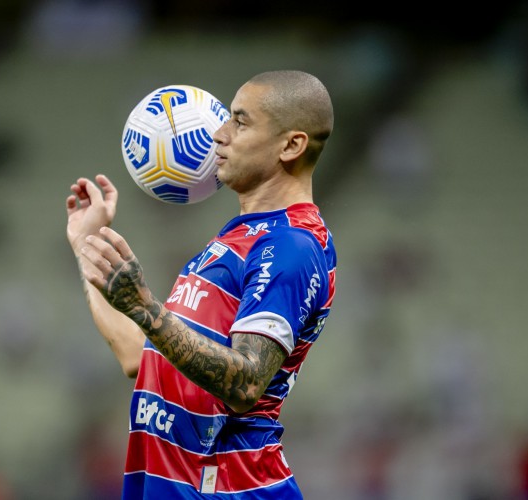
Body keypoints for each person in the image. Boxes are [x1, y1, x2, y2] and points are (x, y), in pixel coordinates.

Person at [65, 70, 337, 499]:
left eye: (240, 122)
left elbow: (246, 383)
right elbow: (140, 355)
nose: (219, 134)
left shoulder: (292, 245)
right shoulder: (237, 239)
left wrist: (147, 309)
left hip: (230, 488)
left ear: (291, 145)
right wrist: (86, 246)